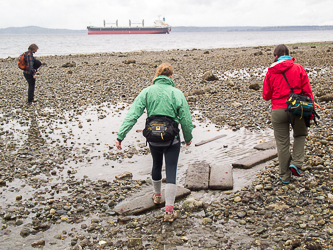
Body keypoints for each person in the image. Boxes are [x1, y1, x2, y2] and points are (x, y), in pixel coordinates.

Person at [115, 63, 193, 222]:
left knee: (156, 165)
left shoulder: (147, 92)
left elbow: (133, 115)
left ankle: (157, 197)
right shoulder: (176, 93)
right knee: (171, 169)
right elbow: (185, 118)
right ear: (171, 77)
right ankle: (169, 211)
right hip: (172, 139)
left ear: (157, 76)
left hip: (153, 138)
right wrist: (188, 137)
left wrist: (120, 136)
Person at [262, 44, 315, 184]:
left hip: (278, 110)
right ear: (289, 55)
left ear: (275, 56)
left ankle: (285, 177)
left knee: (282, 144)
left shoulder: (270, 71)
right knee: (300, 135)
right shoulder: (298, 68)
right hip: (297, 109)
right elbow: (308, 92)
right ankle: (296, 163)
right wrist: (311, 111)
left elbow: (266, 95)